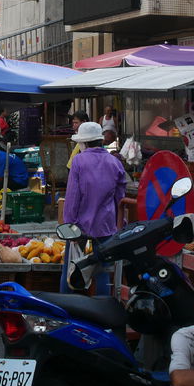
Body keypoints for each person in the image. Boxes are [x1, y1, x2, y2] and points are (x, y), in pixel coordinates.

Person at [61, 121, 127, 295]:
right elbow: (121, 199)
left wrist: (69, 225)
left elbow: (73, 197)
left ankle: (66, 306)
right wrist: (122, 222)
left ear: (83, 143)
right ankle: (102, 306)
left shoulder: (79, 161)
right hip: (106, 224)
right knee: (103, 269)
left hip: (79, 225)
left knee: (71, 267)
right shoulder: (114, 162)